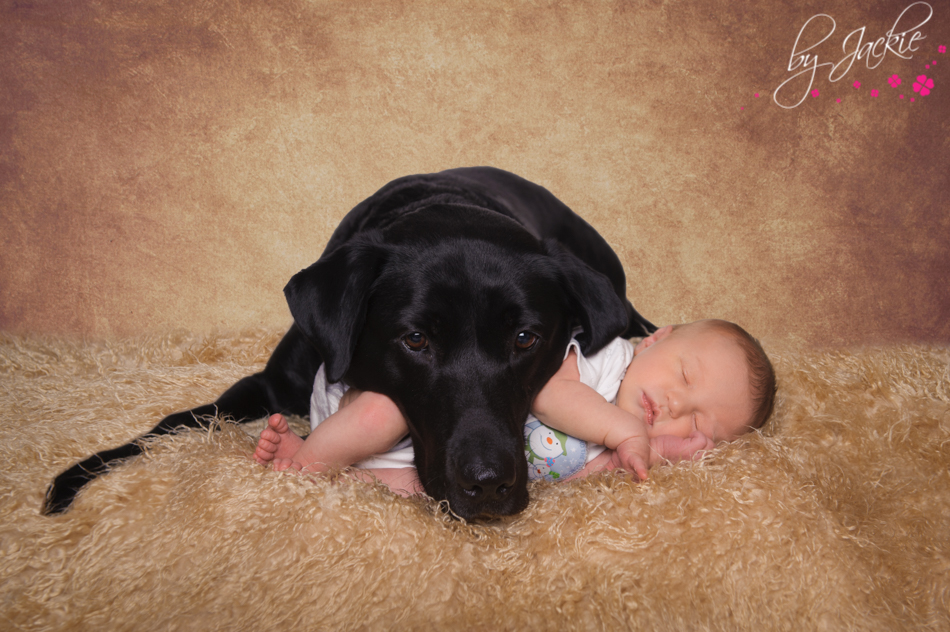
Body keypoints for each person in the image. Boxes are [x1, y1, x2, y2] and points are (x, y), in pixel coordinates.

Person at [252, 319, 776, 496]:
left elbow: (566, 476)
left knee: (422, 491)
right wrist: (626, 432)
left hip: (441, 456)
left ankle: (338, 477)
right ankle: (307, 461)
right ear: (655, 339)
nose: (675, 404)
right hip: (407, 407)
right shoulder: (602, 356)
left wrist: (632, 458)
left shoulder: (619, 437)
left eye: (698, 423)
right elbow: (549, 397)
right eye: (684, 376)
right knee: (380, 415)